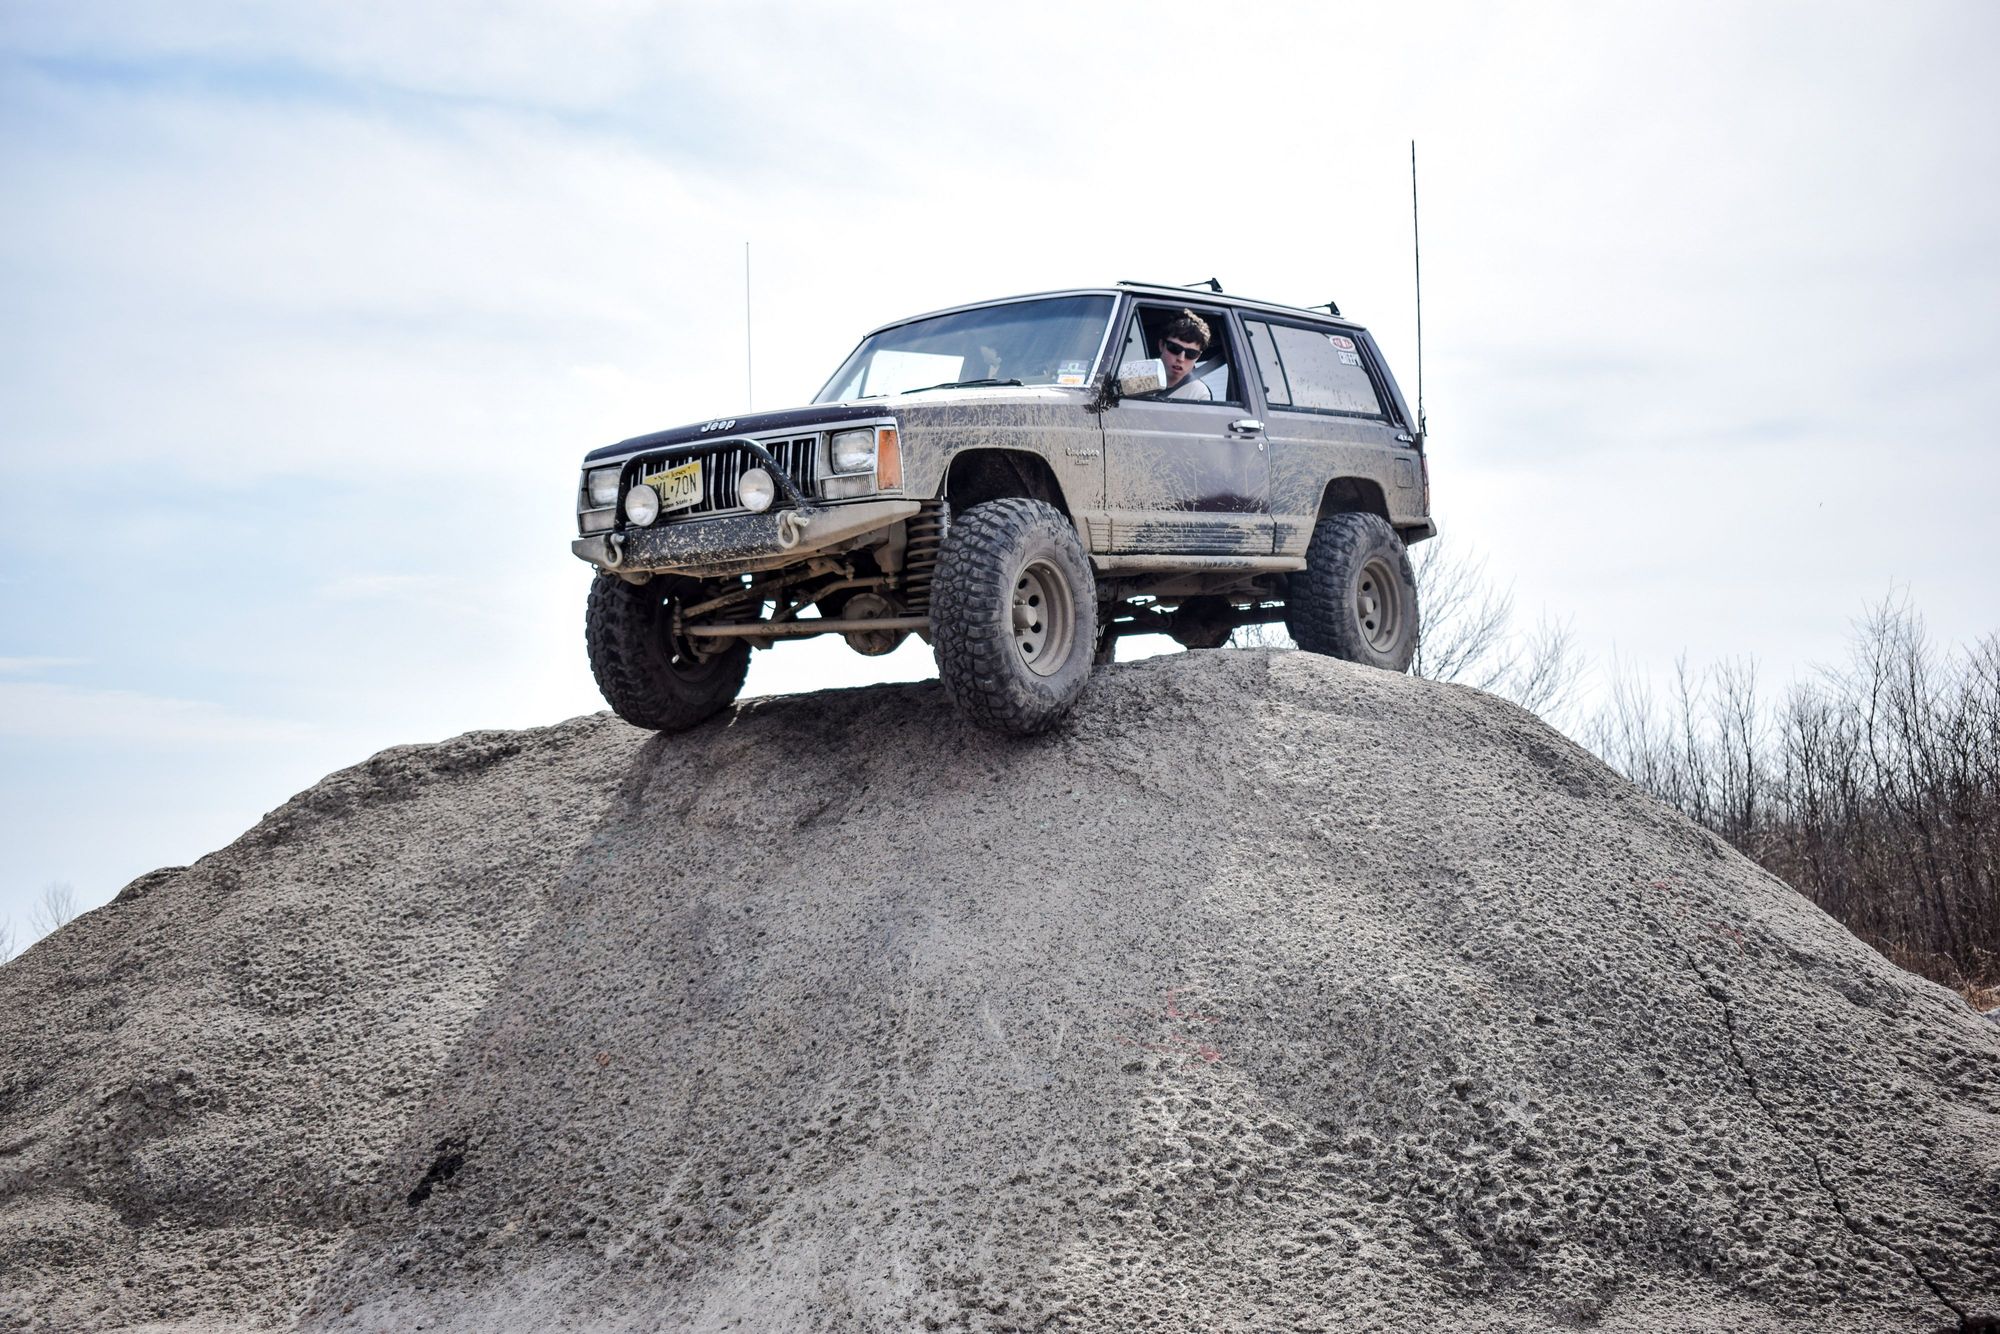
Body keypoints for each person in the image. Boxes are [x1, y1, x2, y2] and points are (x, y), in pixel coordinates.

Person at [1158, 310, 1214, 401]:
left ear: (1198, 357)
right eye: (1175, 348)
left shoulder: (1199, 394)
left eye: (1190, 353)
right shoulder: (1137, 378)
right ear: (1161, 345)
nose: (1181, 358)